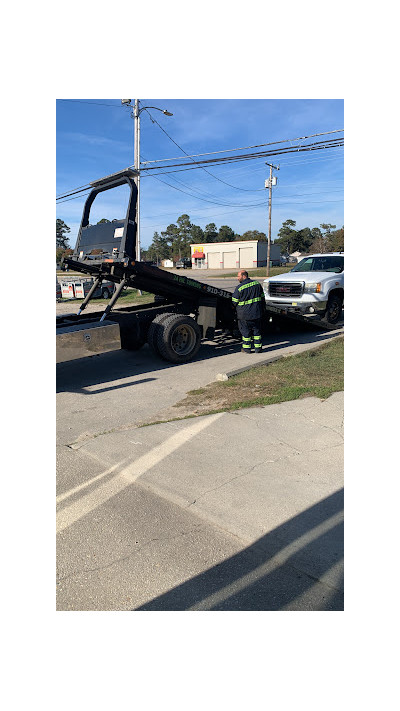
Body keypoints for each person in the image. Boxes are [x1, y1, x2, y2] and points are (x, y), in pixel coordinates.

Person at [232, 269, 265, 353]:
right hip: (256, 313)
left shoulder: (240, 288)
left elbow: (234, 301)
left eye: (238, 276)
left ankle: (247, 349)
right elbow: (262, 297)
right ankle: (258, 348)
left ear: (244, 276)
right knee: (257, 332)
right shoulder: (257, 284)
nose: (237, 278)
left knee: (246, 332)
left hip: (244, 315)